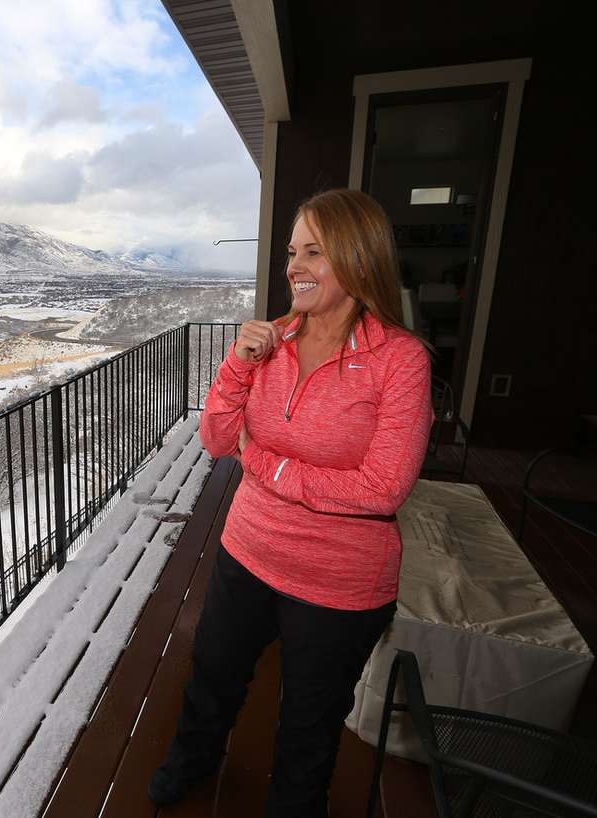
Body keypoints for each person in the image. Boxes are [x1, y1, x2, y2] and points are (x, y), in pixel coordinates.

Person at [148, 189, 433, 817]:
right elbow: (218, 438)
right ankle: (192, 761)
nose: (293, 267)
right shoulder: (271, 340)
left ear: (360, 259)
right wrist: (238, 365)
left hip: (339, 582)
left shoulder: (399, 360)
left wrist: (267, 465)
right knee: (212, 677)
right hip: (247, 550)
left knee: (309, 724)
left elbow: (383, 487)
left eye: (313, 252)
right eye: (290, 252)